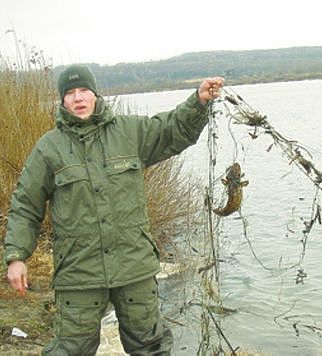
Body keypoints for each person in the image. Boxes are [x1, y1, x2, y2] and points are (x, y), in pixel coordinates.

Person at [4, 64, 224, 355]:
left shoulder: (129, 132)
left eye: (84, 90)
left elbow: (172, 130)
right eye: (70, 93)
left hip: (134, 268)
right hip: (79, 273)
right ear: (62, 101)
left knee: (151, 347)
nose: (78, 98)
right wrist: (17, 256)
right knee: (70, 349)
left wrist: (199, 102)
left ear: (95, 95)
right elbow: (25, 206)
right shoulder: (49, 148)